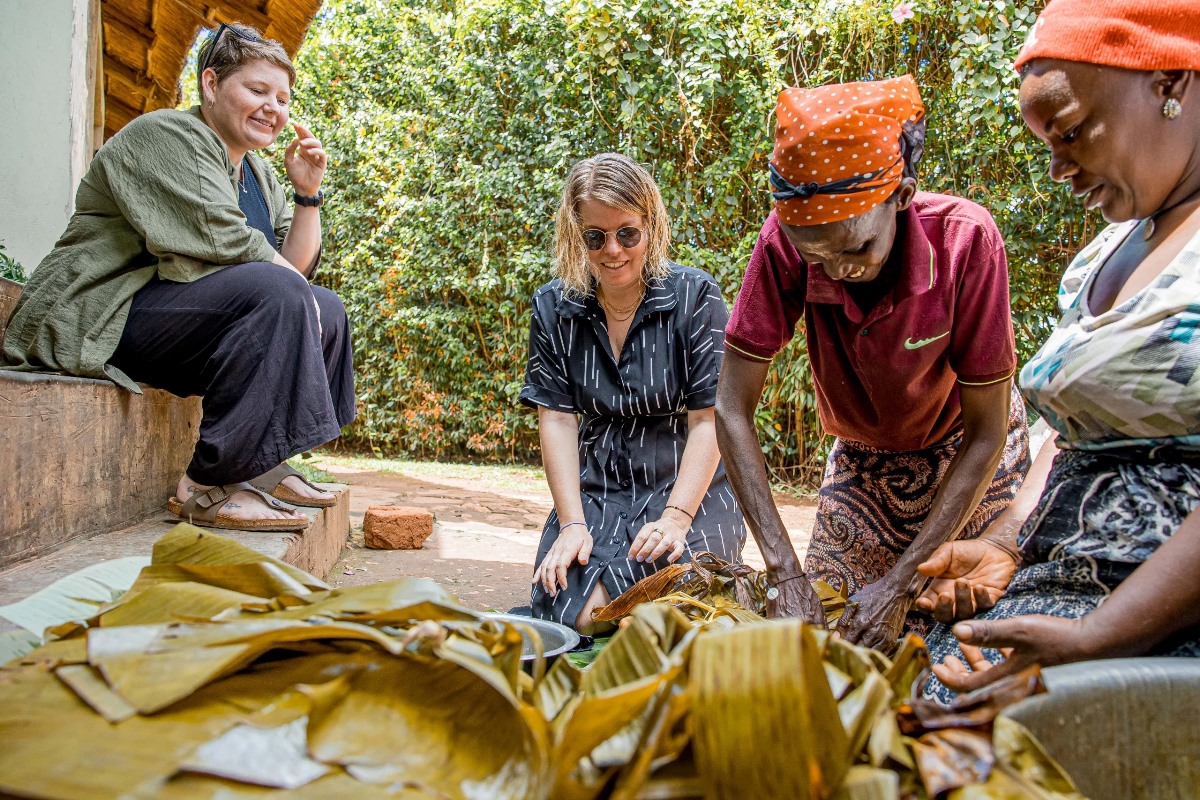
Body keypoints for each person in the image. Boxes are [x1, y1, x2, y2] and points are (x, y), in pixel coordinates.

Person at [913, 0, 1200, 701]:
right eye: (1048, 143)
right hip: (1064, 588)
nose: (1057, 169)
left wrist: (1097, 640)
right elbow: (1075, 436)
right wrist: (1009, 543)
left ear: (1170, 85)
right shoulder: (1109, 249)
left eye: (1071, 133)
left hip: (1155, 618)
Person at [715, 75, 1030, 651]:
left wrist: (902, 582)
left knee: (960, 647)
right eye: (817, 255)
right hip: (865, 460)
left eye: (856, 249)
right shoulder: (782, 245)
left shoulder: (966, 242)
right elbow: (732, 408)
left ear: (903, 195)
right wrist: (784, 570)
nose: (836, 271)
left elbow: (987, 434)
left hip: (968, 453)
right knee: (828, 640)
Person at [1, 23, 355, 531]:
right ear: (211, 84)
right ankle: (208, 484)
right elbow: (238, 250)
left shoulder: (259, 174)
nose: (273, 108)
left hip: (173, 320)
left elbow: (293, 266)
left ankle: (263, 463)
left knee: (327, 305)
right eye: (257, 90)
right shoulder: (166, 135)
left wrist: (308, 193)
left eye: (282, 97)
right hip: (100, 314)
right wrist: (297, 293)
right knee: (284, 293)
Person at [521, 153, 746, 633]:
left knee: (673, 607)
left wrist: (677, 518)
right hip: (599, 483)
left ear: (652, 226)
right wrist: (572, 524)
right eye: (595, 237)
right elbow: (557, 419)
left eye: (628, 233)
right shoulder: (553, 306)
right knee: (574, 612)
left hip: (688, 484)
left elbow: (709, 419)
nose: (613, 251)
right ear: (575, 236)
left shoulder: (695, 296)